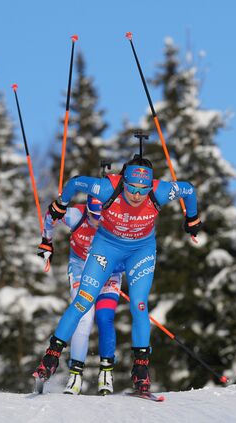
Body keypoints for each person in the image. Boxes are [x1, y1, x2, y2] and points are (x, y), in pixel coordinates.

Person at [33, 154, 201, 393]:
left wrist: (192, 219)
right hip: (106, 248)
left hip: (140, 250)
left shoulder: (160, 191)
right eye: (132, 187)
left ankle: (141, 369)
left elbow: (188, 189)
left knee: (139, 305)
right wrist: (61, 204)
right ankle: (51, 357)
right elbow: (77, 182)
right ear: (123, 181)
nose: (137, 194)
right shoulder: (106, 187)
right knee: (83, 302)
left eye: (143, 189)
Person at [37, 195, 123, 395]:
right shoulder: (76, 215)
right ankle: (75, 376)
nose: (98, 221)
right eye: (94, 216)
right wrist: (46, 241)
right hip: (81, 269)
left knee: (105, 318)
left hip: (109, 271)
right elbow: (51, 215)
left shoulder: (119, 219)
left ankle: (106, 374)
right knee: (84, 317)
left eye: (103, 217)